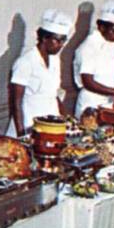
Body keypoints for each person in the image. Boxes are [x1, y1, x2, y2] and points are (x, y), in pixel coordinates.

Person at [8, 8, 72, 136]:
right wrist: (22, 134)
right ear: (44, 38)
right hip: (29, 125)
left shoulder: (55, 60)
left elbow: (53, 95)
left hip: (53, 125)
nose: (61, 45)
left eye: (63, 40)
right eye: (57, 40)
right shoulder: (25, 62)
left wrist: (68, 119)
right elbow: (16, 102)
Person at [74, 0, 114, 117]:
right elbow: (88, 82)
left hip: (108, 102)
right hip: (91, 103)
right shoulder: (89, 46)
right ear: (101, 27)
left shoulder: (111, 43)